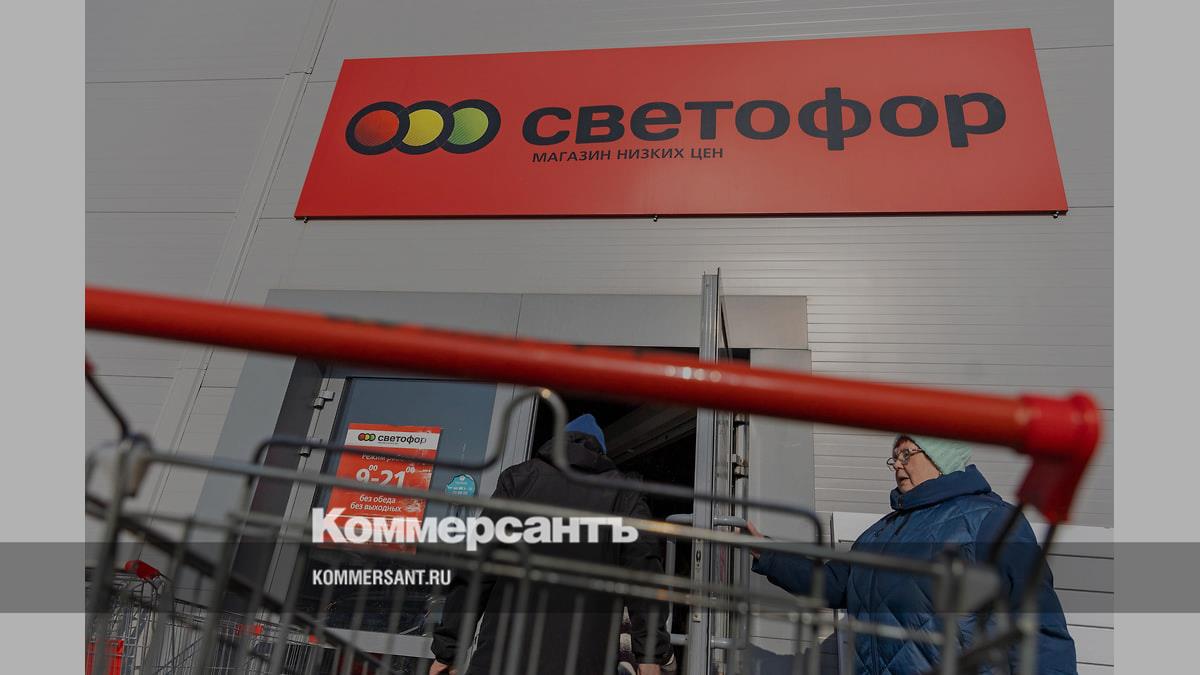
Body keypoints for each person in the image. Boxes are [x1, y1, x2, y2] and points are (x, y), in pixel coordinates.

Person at [745, 435, 1077, 674]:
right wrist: (766, 553)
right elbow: (833, 584)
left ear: (941, 457)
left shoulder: (992, 522)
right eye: (894, 457)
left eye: (907, 454)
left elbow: (1040, 626)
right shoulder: (881, 532)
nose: (897, 465)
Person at [429, 414, 676, 675]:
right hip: (583, 661)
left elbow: (476, 568)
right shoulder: (623, 494)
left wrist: (449, 649)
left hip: (503, 657)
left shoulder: (518, 480)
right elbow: (644, 577)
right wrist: (651, 654)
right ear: (600, 453)